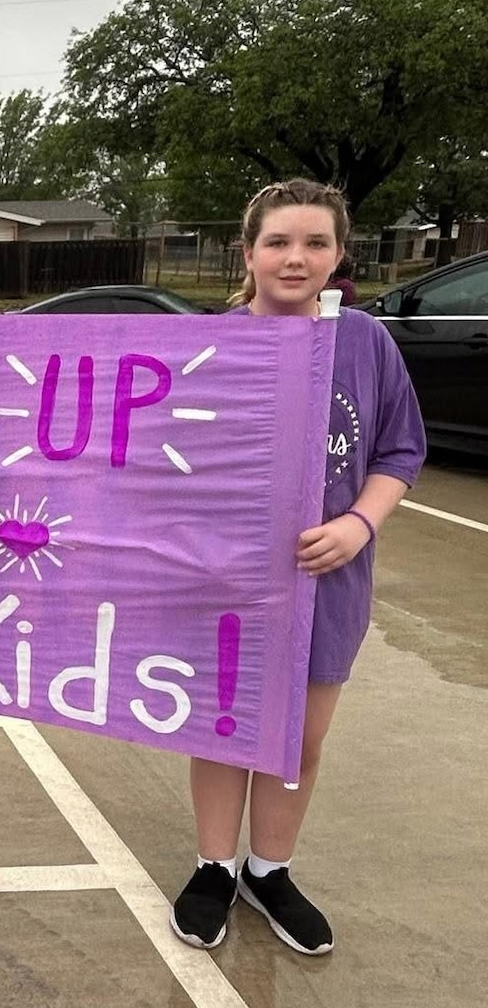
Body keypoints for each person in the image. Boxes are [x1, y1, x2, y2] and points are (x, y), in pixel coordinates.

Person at [169, 178, 425, 957]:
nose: (295, 257)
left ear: (339, 255)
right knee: (223, 729)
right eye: (278, 242)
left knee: (297, 741)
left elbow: (397, 448)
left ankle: (267, 870)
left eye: (315, 243)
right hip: (222, 582)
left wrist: (358, 522)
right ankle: (213, 864)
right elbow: (165, 466)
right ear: (247, 252)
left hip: (326, 582)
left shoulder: (365, 343)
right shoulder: (211, 346)